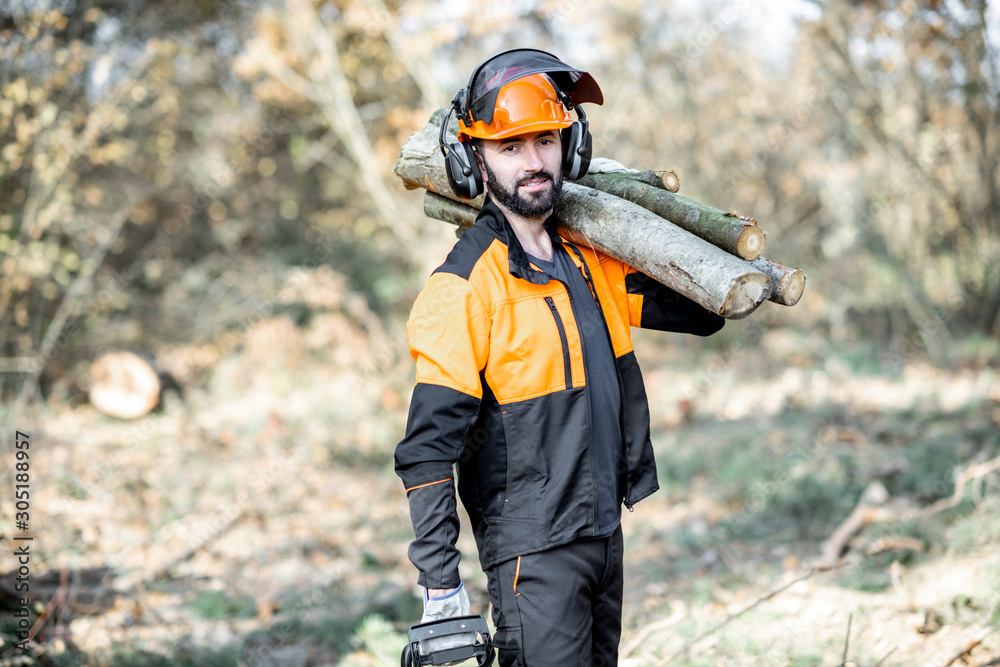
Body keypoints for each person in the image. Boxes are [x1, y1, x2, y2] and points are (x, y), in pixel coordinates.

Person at [394, 48, 725, 666]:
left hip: (603, 533)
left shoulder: (591, 260)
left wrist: (650, 216)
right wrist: (440, 583)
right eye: (510, 147)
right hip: (532, 555)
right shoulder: (463, 289)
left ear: (571, 147)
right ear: (475, 161)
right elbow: (427, 451)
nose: (534, 163)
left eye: (545, 141)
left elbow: (705, 311)